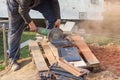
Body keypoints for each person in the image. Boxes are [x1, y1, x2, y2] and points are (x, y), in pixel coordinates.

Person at [6, 0, 61, 71]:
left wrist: (58, 17)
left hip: (37, 2)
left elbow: (54, 2)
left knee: (53, 18)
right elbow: (22, 10)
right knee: (15, 30)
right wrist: (31, 23)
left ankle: (51, 45)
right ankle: (13, 59)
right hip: (16, 3)